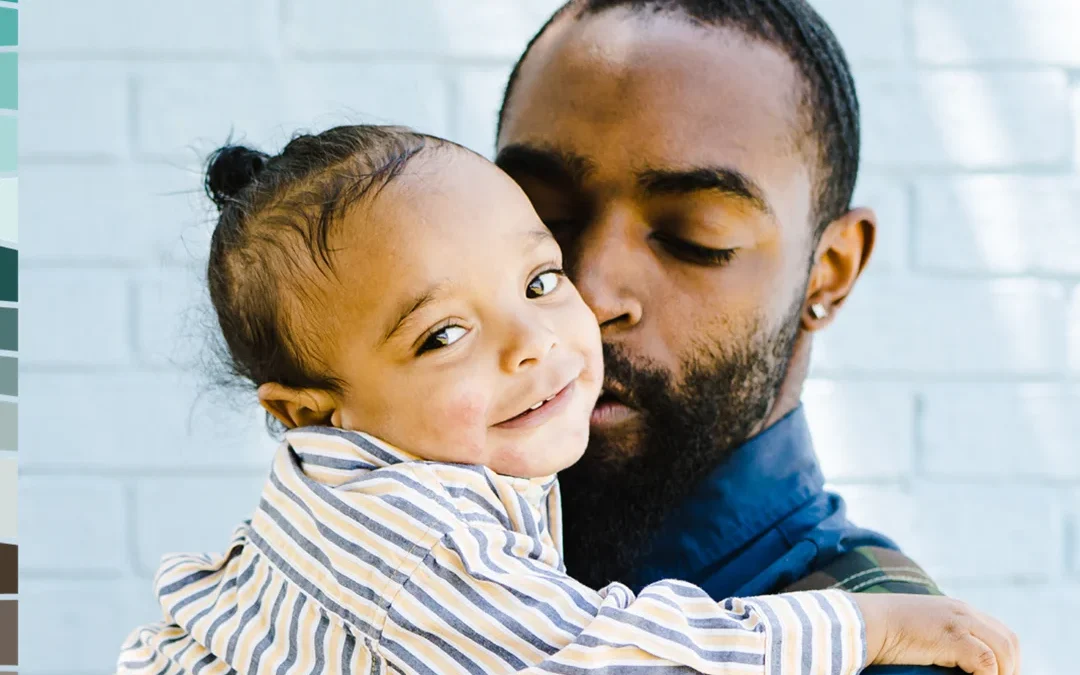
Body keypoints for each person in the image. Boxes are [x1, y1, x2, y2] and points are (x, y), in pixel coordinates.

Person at [115, 126, 1017, 674]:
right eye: (442, 336)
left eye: (541, 278)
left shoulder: (389, 481)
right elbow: (612, 657)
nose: (535, 342)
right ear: (313, 411)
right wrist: (863, 627)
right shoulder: (410, 535)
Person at [493, 2, 977, 673]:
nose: (590, 292)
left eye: (696, 238)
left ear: (827, 275)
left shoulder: (896, 657)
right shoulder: (377, 549)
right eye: (542, 218)